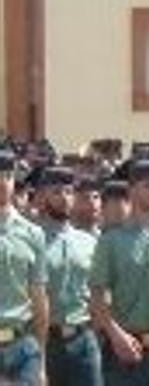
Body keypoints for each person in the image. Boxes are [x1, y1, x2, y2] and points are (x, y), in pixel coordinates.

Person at [89, 159, 149, 386]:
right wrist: (115, 335)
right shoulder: (111, 241)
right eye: (147, 186)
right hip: (127, 349)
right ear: (132, 191)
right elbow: (96, 298)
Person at [37, 166, 101, 386]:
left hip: (84, 339)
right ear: (44, 196)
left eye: (68, 192)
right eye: (57, 192)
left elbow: (98, 291)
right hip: (48, 341)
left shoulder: (89, 242)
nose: (64, 198)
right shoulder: (34, 239)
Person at [0, 147, 49, 385]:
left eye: (8, 176)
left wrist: (41, 360)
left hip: (22, 346)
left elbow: (39, 298)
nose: (3, 183)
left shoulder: (33, 233)